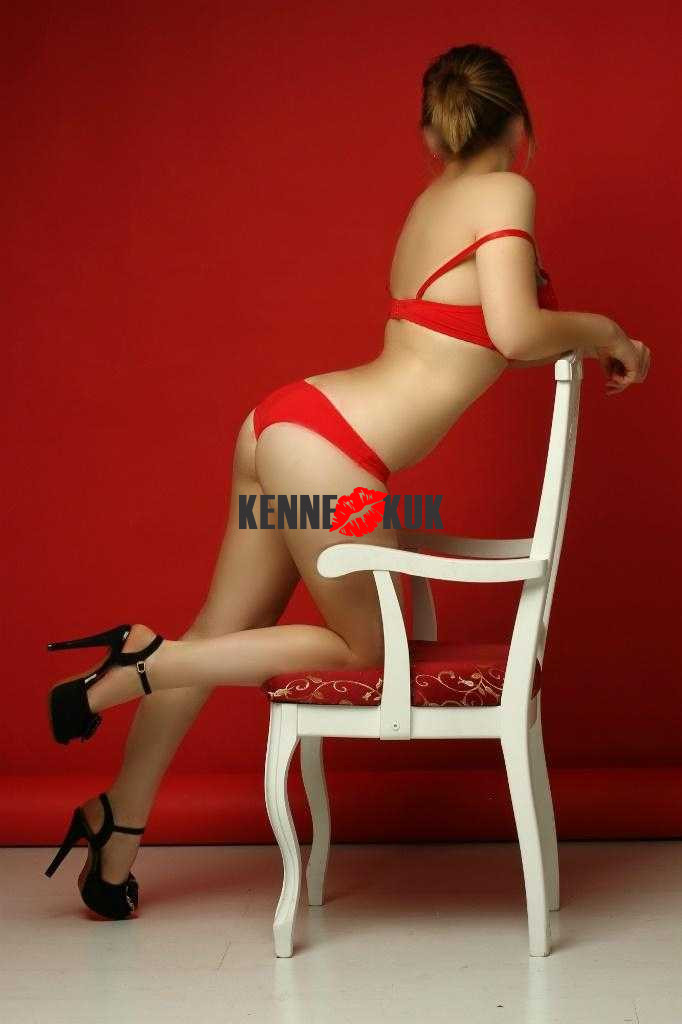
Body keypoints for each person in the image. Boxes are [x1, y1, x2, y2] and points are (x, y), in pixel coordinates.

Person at [44, 43, 650, 919]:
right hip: (333, 456)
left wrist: (589, 340)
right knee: (362, 653)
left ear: (433, 133)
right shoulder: (504, 191)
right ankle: (149, 658)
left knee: (224, 625)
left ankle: (118, 827)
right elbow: (518, 334)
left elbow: (477, 343)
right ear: (520, 122)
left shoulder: (432, 203)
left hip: (287, 425)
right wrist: (606, 329)